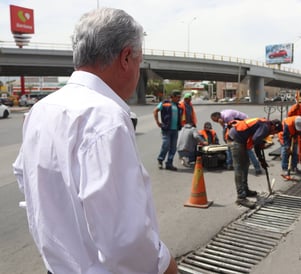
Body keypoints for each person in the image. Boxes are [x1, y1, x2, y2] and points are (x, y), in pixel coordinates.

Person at [12, 8, 177, 274]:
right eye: (139, 61)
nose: (138, 72)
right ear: (125, 57)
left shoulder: (40, 110)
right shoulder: (105, 118)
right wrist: (164, 264)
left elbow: (28, 182)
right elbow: (125, 240)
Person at [228, 118, 283, 209]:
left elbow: (257, 144)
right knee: (239, 168)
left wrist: (261, 160)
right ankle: (241, 197)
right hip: (236, 140)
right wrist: (261, 143)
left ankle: (245, 189)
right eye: (275, 132)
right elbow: (256, 139)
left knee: (245, 164)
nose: (273, 134)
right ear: (273, 126)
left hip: (240, 140)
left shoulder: (265, 125)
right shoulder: (266, 127)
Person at [210, 110, 263, 175]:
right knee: (231, 147)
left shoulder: (227, 117)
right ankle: (230, 164)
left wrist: (224, 126)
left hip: (243, 126)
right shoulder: (223, 115)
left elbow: (233, 127)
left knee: (247, 149)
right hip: (240, 127)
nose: (216, 122)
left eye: (215, 120)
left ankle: (257, 168)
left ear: (218, 116)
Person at [154, 91, 183, 171]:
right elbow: (155, 111)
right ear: (172, 97)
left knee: (173, 148)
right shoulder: (164, 103)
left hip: (175, 130)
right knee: (166, 145)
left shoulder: (179, 106)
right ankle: (160, 159)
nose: (179, 99)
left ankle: (169, 163)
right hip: (166, 129)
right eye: (177, 97)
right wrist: (158, 122)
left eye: (179, 97)